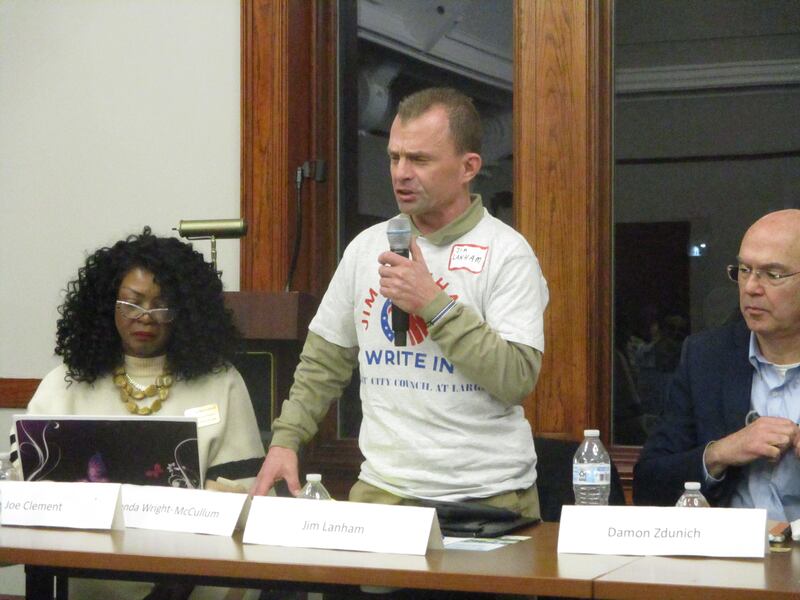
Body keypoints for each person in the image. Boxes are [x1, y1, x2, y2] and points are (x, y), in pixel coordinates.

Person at [253, 87, 548, 519]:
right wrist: (286, 439)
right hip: (383, 492)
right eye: (395, 157)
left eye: (420, 160)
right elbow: (324, 362)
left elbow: (516, 378)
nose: (401, 174)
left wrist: (436, 305)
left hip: (488, 496)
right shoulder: (366, 247)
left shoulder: (506, 252)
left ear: (469, 167)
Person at [16, 227, 265, 599]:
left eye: (161, 305)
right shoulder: (64, 384)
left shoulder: (222, 383)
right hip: (90, 579)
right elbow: (20, 485)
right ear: (107, 306)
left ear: (184, 311)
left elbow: (253, 504)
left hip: (194, 579)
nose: (145, 316)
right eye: (131, 303)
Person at [634, 210, 800, 522]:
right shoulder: (707, 357)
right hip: (730, 559)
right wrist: (721, 452)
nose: (751, 287)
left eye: (773, 274)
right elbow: (650, 483)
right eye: (744, 270)